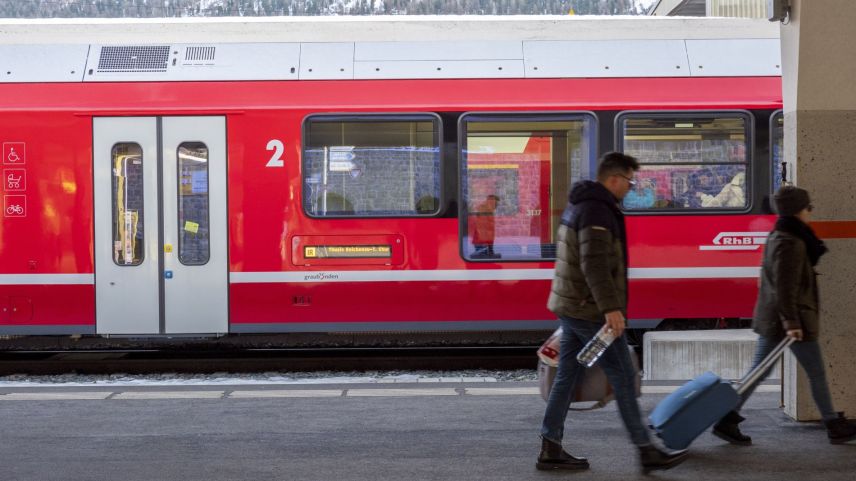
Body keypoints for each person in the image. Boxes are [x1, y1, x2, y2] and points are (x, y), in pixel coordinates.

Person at [537, 152, 688, 472]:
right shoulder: (597, 211)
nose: (631, 188)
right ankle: (646, 450)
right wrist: (611, 310)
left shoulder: (583, 203)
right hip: (589, 311)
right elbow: (595, 265)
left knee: (567, 375)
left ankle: (550, 445)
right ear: (614, 179)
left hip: (571, 305)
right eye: (630, 182)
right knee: (623, 376)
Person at [712, 186, 856, 445]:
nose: (810, 212)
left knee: (758, 371)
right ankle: (833, 424)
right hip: (791, 320)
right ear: (799, 210)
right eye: (808, 207)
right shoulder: (790, 241)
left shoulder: (781, 233)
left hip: (777, 318)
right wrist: (791, 322)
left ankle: (727, 418)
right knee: (815, 373)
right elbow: (784, 286)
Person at [471, 194, 500, 258]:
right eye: (496, 203)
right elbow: (481, 228)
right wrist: (487, 245)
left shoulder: (489, 210)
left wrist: (491, 250)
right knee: (481, 258)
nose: (497, 205)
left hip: (485, 240)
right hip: (481, 241)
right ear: (491, 202)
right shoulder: (484, 210)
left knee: (484, 258)